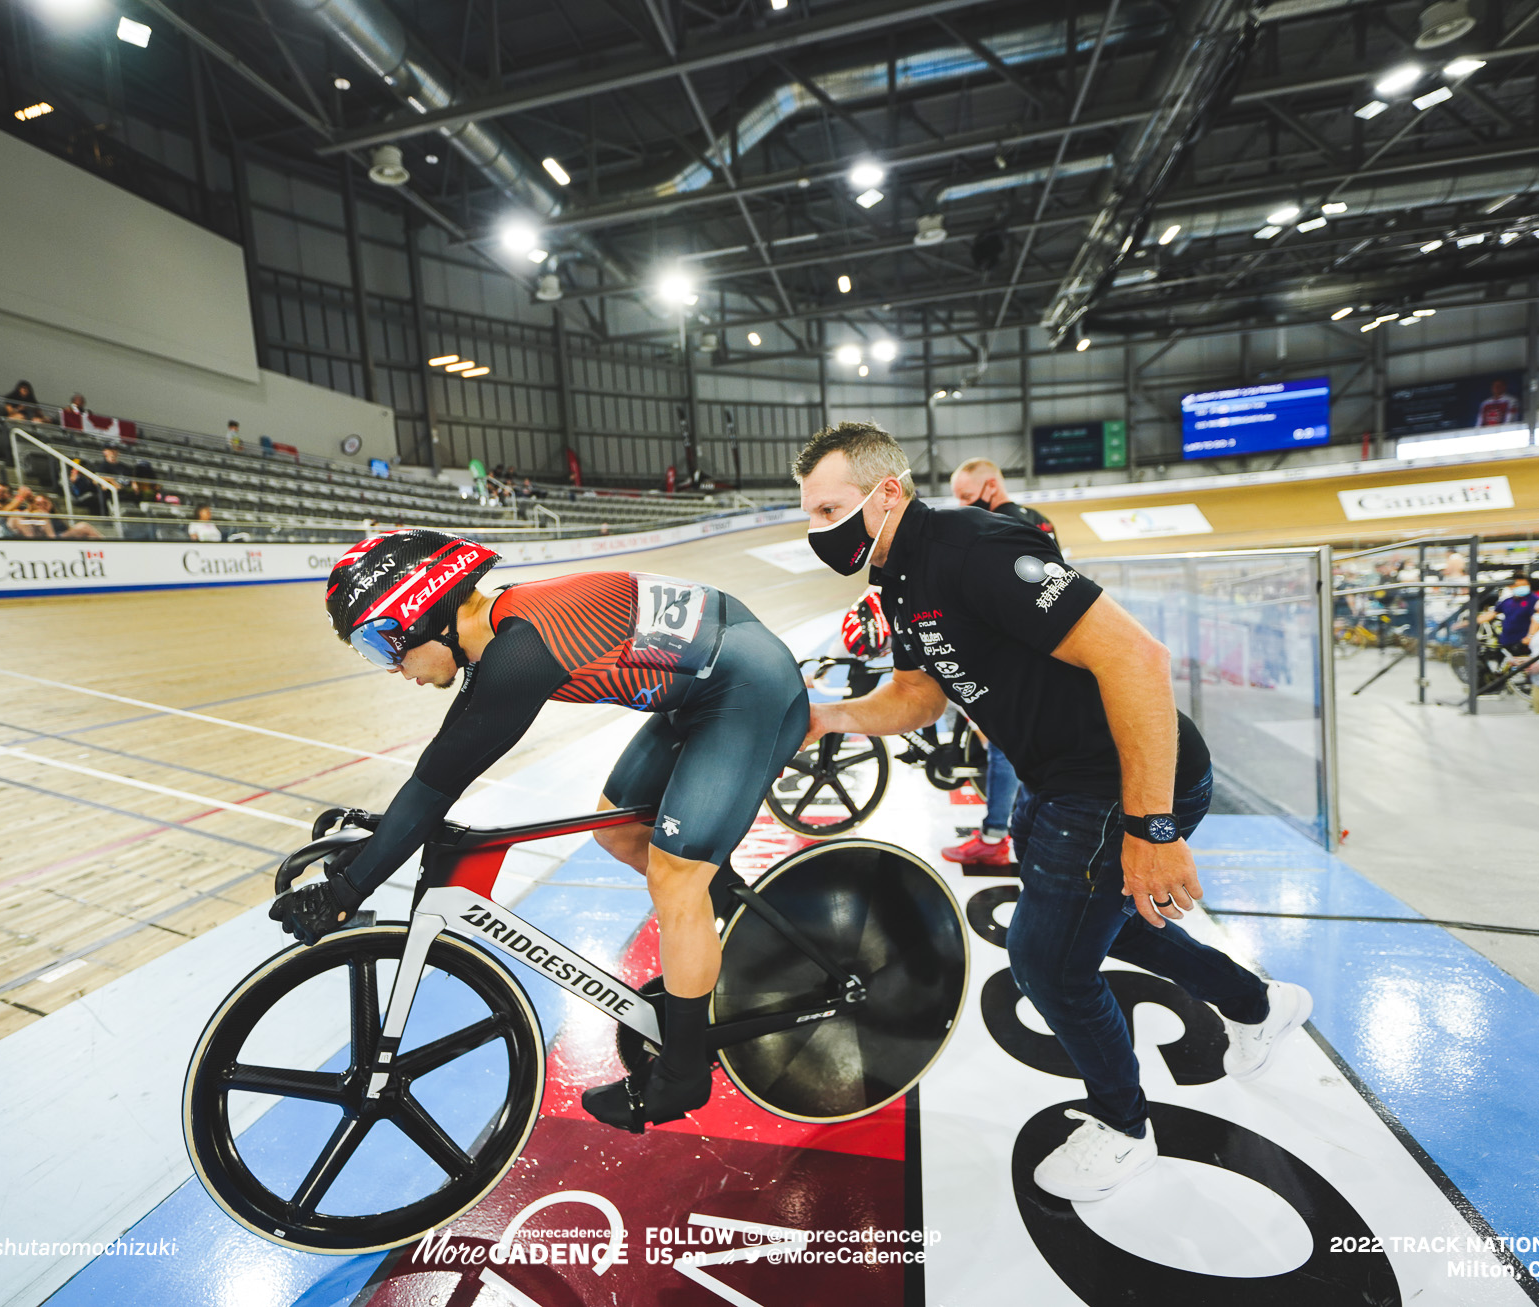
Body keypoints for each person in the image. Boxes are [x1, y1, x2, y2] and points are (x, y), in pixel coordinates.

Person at [793, 422, 1308, 1202]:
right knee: (1097, 922)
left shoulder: (974, 547)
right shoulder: (898, 577)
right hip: (1062, 781)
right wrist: (828, 716)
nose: (818, 529)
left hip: (1121, 780)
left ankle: (1124, 1126)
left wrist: (1153, 827)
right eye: (809, 514)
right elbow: (919, 695)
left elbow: (1138, 658)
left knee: (1049, 965)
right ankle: (1258, 1005)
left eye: (830, 508)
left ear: (886, 492)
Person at [268, 530, 810, 1134]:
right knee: (620, 831)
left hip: (744, 687)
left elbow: (439, 780)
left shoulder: (521, 650)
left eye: (383, 646)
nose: (394, 670)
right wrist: (361, 866)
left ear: (421, 614)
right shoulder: (500, 631)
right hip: (704, 680)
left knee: (675, 876)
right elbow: (440, 765)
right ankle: (741, 941)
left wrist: (345, 891)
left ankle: (683, 1074)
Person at [942, 457, 1059, 868]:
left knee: (1005, 749)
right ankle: (1017, 831)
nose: (963, 508)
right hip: (1040, 658)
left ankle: (995, 836)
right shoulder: (1038, 520)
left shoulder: (995, 528)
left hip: (1012, 662)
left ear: (991, 486)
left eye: (967, 497)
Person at [1481, 576, 1539, 655]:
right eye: (1519, 585)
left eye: (1525, 584)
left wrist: (1530, 637)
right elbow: (1492, 614)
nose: (1522, 587)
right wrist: (1469, 622)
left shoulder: (1534, 600)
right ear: (1510, 587)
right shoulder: (1507, 601)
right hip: (1507, 640)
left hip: (1523, 643)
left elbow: (1536, 620)